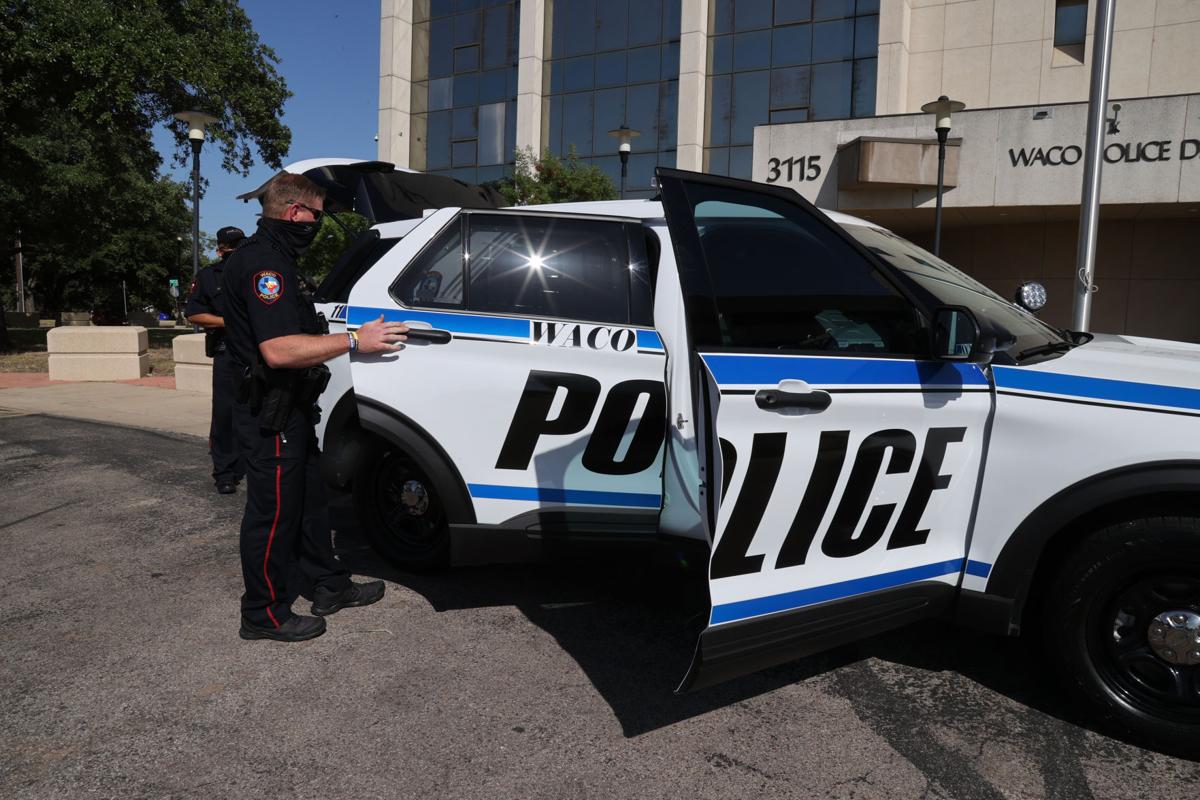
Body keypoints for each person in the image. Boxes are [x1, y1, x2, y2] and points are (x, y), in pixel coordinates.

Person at [222, 172, 410, 642]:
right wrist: (354, 340)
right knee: (274, 514)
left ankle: (329, 585)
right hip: (272, 411)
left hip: (290, 407)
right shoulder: (267, 267)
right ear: (294, 213)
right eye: (317, 216)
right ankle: (262, 612)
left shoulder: (272, 258)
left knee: (308, 504)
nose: (318, 225)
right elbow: (279, 350)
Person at [186, 225, 247, 494]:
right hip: (227, 352)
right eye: (230, 247)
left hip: (257, 352)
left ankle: (255, 464)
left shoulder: (254, 273)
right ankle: (224, 472)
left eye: (238, 246)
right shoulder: (209, 277)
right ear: (220, 248)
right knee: (224, 415)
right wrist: (228, 321)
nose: (234, 251)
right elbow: (194, 314)